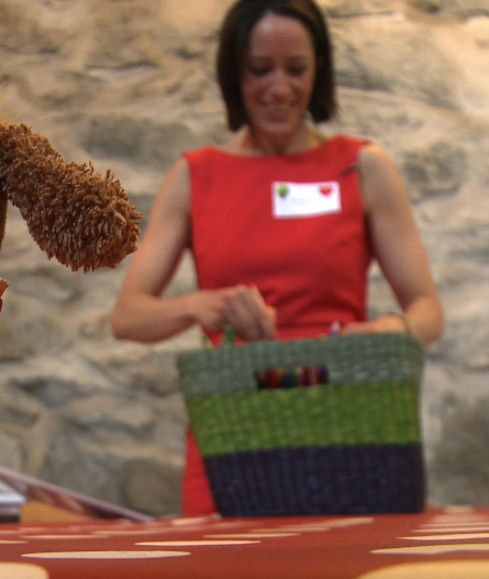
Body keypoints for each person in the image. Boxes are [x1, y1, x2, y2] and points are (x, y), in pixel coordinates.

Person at [110, 0, 445, 516]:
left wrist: (393, 331)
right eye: (260, 69)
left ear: (319, 70)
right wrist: (201, 306)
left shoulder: (363, 167)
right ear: (234, 72)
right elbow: (128, 316)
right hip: (233, 441)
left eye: (297, 69)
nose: (280, 88)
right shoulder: (195, 176)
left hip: (345, 433)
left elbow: (428, 310)